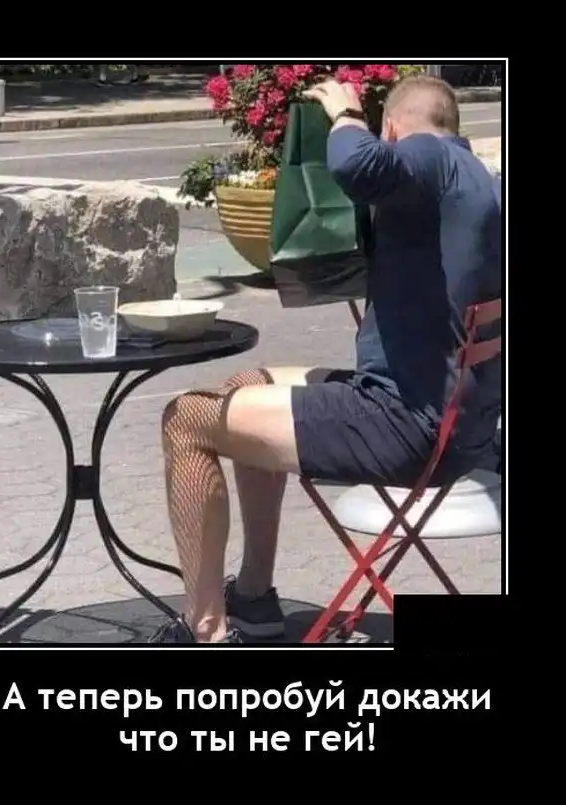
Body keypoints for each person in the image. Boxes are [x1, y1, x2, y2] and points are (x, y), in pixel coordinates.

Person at [148, 75, 502, 645]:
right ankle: (255, 598)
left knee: (186, 419)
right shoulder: (478, 181)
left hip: (403, 424)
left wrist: (345, 114)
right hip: (455, 428)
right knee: (245, 385)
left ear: (393, 129)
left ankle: (206, 629)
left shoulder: (428, 156)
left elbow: (358, 165)